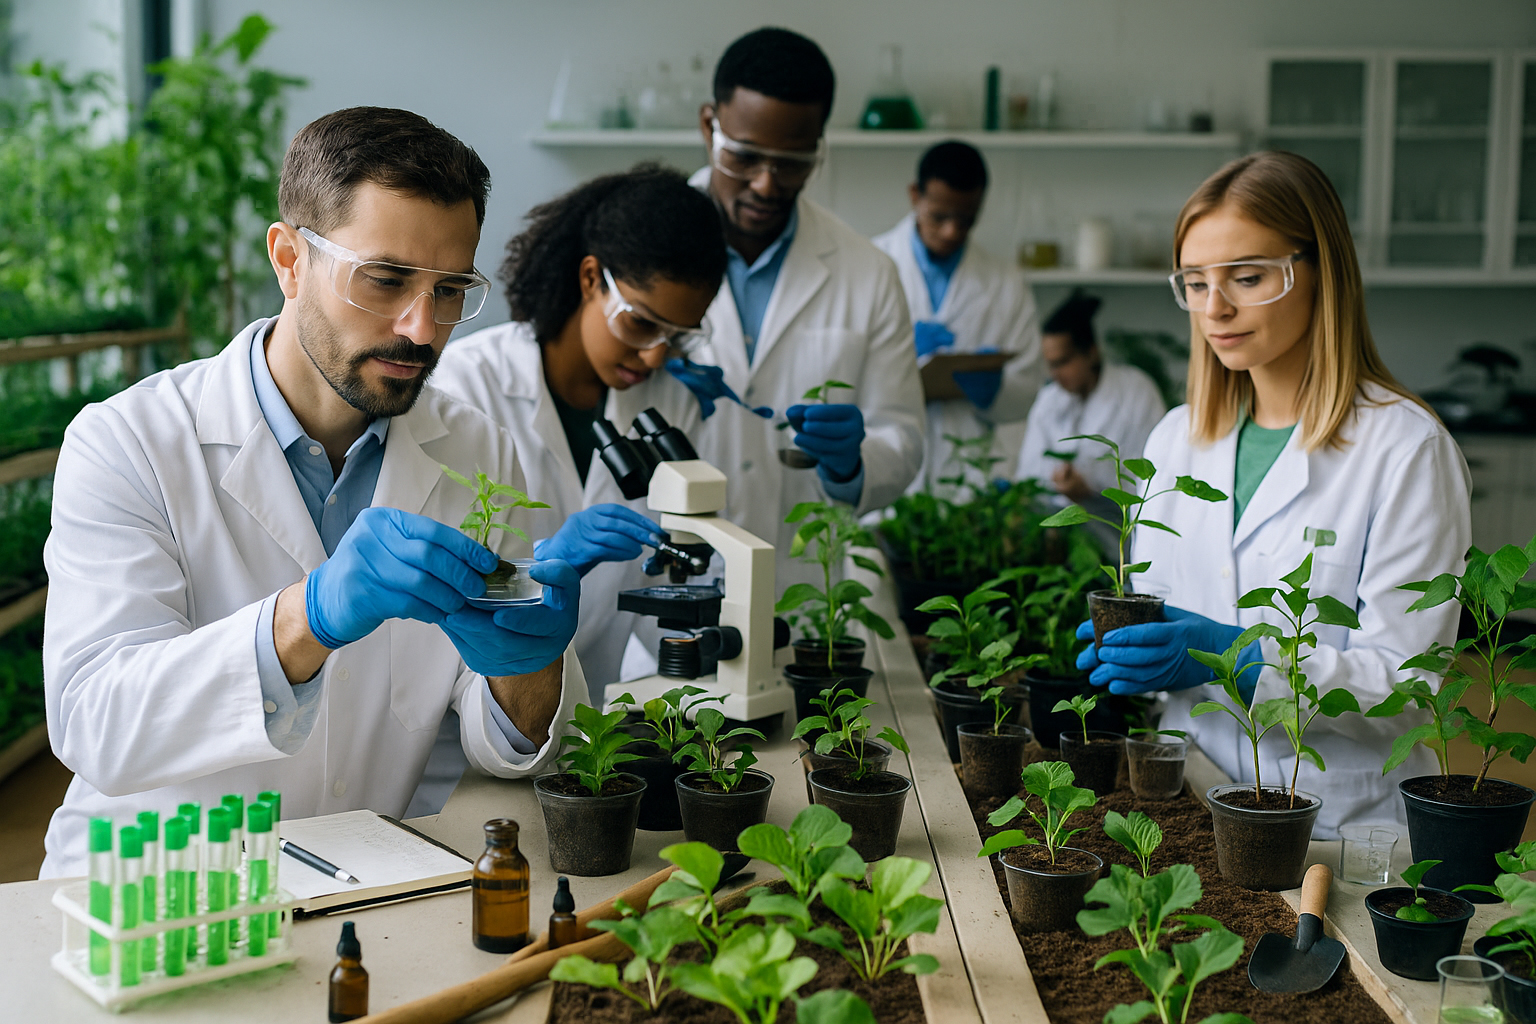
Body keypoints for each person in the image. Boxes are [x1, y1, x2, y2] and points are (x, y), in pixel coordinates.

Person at [39, 108, 586, 877]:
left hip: (363, 886)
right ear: (290, 259)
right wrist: (307, 618)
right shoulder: (129, 442)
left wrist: (533, 662)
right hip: (153, 897)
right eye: (386, 279)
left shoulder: (479, 450)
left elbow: (512, 746)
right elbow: (95, 721)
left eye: (451, 289)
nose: (423, 329)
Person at [1077, 151, 1472, 836]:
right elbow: (1172, 621)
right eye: (1195, 283)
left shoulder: (1406, 449)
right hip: (1186, 797)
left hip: (1338, 824)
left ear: (1322, 271)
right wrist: (1140, 655)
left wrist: (1246, 656)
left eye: (1248, 277)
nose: (1215, 307)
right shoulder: (1175, 440)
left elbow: (1411, 689)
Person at [613, 27, 924, 593]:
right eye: (745, 156)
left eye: (793, 162)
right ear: (709, 125)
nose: (765, 183)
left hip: (805, 587)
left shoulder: (869, 272)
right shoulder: (634, 248)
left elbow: (901, 440)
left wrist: (852, 464)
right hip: (662, 578)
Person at [433, 164, 727, 697]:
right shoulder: (466, 385)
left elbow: (671, 583)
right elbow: (441, 589)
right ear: (591, 278)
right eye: (641, 323)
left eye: (677, 336)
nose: (656, 353)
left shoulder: (671, 403)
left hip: (602, 710)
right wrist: (544, 566)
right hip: (478, 710)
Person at [872, 141, 1041, 494]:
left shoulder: (1004, 281)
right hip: (887, 464)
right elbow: (845, 374)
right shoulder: (871, 264)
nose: (952, 231)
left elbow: (1027, 385)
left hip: (970, 474)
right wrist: (899, 356)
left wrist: (995, 390)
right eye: (940, 217)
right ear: (914, 195)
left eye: (966, 220)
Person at [1013, 289, 1165, 508]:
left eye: (1062, 362)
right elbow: (1028, 474)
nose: (1054, 374)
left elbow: (1152, 478)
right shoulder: (1049, 400)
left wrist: (1092, 488)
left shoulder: (1135, 392)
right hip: (1058, 526)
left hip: (1117, 527)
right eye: (1051, 364)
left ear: (1091, 353)